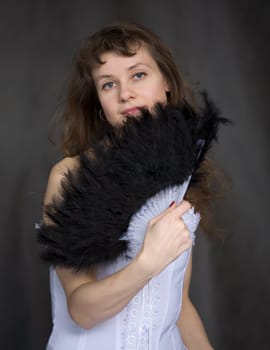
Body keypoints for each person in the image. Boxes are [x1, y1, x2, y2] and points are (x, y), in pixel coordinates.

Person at [38, 21, 226, 349]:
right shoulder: (70, 177)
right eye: (108, 84)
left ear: (167, 82)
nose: (126, 93)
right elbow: (82, 310)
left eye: (138, 74)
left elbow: (178, 306)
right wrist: (147, 262)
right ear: (98, 101)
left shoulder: (182, 174)